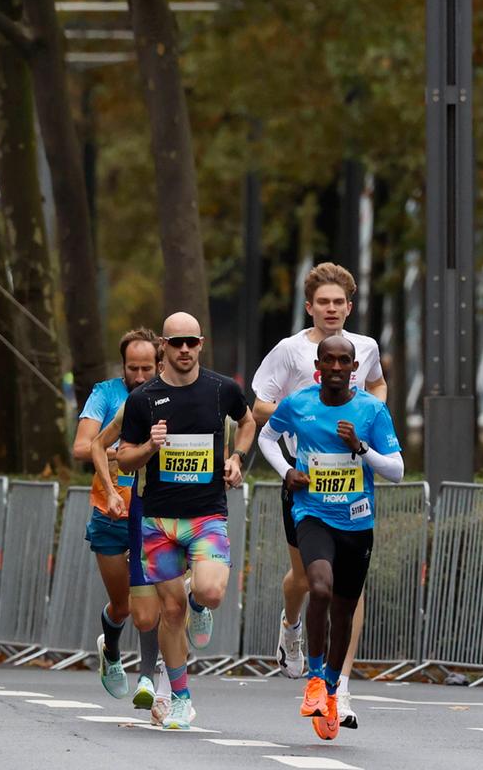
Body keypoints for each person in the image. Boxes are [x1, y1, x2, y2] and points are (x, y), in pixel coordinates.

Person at [93, 312, 255, 730]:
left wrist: (237, 458)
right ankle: (181, 697)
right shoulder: (143, 398)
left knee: (211, 591)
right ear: (163, 345)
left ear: (201, 344)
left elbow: (249, 420)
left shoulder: (222, 390)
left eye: (192, 342)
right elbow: (124, 456)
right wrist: (150, 445)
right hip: (158, 520)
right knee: (169, 609)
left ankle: (201, 604)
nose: (184, 349)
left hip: (206, 515)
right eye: (176, 342)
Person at [249, 262, 387, 729]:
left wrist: (371, 412)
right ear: (310, 307)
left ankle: (338, 690)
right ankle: (291, 629)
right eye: (322, 303)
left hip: (351, 487)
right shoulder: (289, 351)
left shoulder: (363, 347)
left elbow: (376, 385)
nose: (331, 309)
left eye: (338, 303)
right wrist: (305, 410)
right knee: (306, 580)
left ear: (349, 306)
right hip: (303, 479)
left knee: (348, 591)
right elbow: (260, 404)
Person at [79, 329, 165, 705]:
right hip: (110, 512)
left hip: (151, 513)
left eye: (148, 367)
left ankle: (147, 677)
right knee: (123, 604)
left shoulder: (167, 394)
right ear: (123, 366)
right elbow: (83, 447)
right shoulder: (106, 394)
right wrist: (129, 452)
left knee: (151, 598)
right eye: (134, 368)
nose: (141, 376)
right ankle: (110, 648)